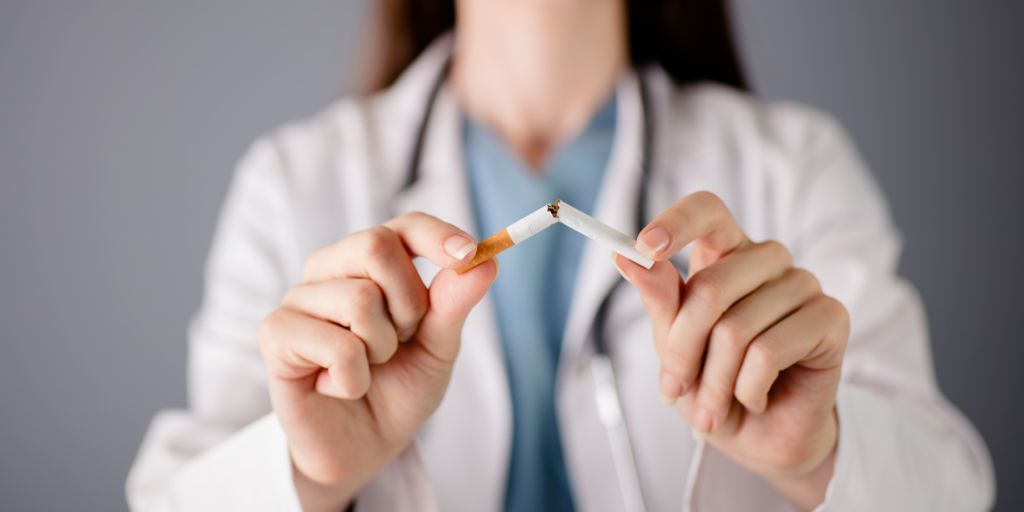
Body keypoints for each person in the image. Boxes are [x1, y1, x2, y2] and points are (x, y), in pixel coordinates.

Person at [126, 0, 995, 511]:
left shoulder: (793, 166)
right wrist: (309, 476)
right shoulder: (294, 182)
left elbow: (953, 488)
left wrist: (821, 456)